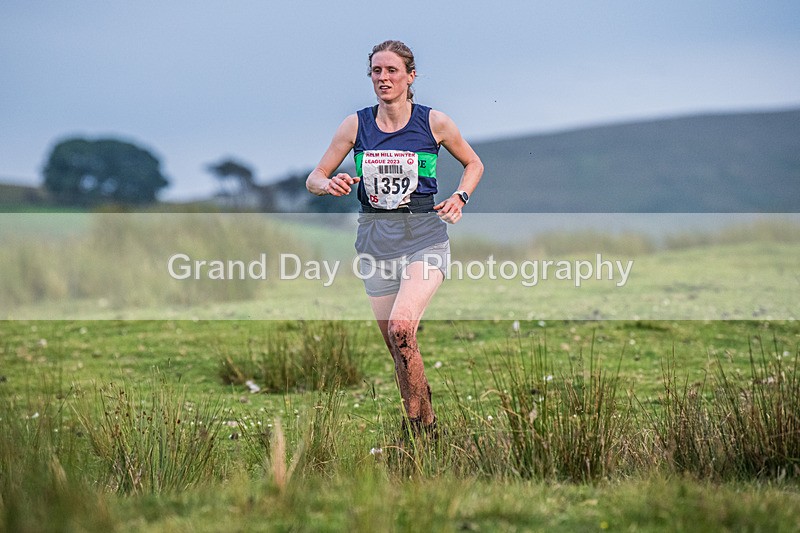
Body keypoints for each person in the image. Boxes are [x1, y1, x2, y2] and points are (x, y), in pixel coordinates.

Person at [306, 40, 483, 437]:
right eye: (376, 71)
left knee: (402, 329)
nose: (383, 78)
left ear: (410, 76)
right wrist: (328, 183)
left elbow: (473, 163)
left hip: (423, 236)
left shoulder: (433, 122)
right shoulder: (356, 125)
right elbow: (314, 177)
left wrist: (460, 196)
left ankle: (422, 432)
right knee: (397, 348)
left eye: (391, 71)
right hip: (374, 242)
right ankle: (421, 421)